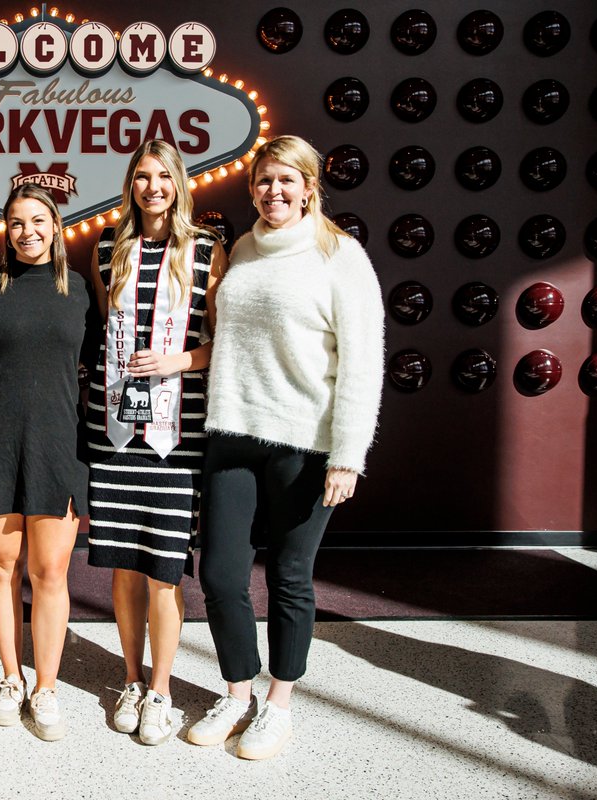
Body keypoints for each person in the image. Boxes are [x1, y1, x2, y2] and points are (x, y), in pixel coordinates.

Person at [192, 134, 384, 760]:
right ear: (252, 189)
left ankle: (279, 703)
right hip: (232, 432)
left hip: (304, 442)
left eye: (287, 181)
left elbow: (362, 363)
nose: (274, 192)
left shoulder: (340, 255)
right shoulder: (242, 250)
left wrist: (348, 455)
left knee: (290, 576)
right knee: (220, 574)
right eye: (264, 181)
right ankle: (237, 691)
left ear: (309, 187)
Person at [86, 140, 225, 746]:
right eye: (141, 177)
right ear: (130, 184)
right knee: (122, 566)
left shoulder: (205, 251)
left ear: (178, 183)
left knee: (163, 571)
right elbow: (104, 336)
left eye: (162, 177)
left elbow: (221, 346)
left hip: (176, 433)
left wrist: (171, 360)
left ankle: (163, 692)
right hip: (114, 431)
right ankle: (132, 679)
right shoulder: (104, 248)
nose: (152, 187)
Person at [0, 184, 96, 741]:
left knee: (50, 574)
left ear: (56, 225)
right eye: (16, 223)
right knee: (1, 569)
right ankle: (10, 678)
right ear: (5, 230)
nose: (28, 232)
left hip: (56, 448)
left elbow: (94, 370)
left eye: (38, 220)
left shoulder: (82, 292)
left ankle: (46, 687)